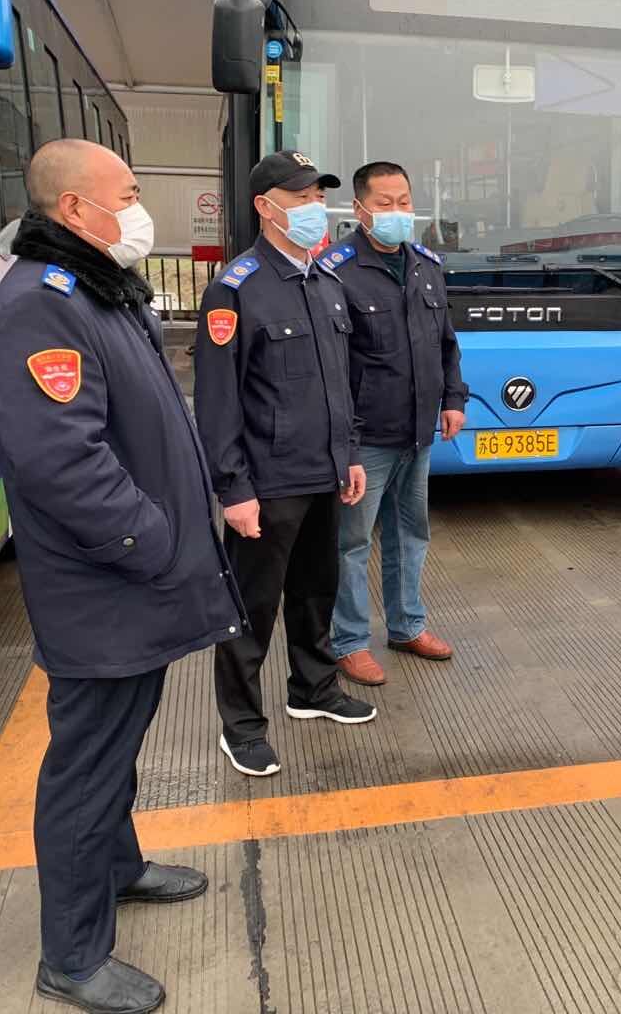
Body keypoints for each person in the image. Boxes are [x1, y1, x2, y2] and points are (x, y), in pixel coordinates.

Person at [0, 139, 246, 1014]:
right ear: (73, 209)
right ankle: (72, 956)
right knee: (86, 768)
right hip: (106, 584)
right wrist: (153, 540)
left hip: (133, 578)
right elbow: (61, 461)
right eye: (126, 193)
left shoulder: (97, 286)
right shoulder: (40, 304)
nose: (138, 208)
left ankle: (119, 868)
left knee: (119, 744)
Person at [195, 151, 374, 780]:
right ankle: (242, 727)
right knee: (250, 609)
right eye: (300, 199)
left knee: (316, 591)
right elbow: (217, 401)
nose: (313, 208)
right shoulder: (236, 289)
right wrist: (233, 490)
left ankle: (313, 688)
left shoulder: (326, 283)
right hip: (266, 483)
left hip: (324, 473)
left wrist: (349, 455)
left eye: (317, 197)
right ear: (264, 207)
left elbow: (340, 386)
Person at [321, 162, 468, 686]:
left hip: (419, 431)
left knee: (411, 533)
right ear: (360, 209)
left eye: (404, 201)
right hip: (365, 438)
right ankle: (348, 641)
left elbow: (446, 343)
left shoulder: (426, 266)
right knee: (352, 543)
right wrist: (344, 442)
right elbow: (331, 366)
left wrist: (453, 399)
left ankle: (407, 626)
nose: (397, 212)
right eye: (384, 204)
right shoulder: (336, 271)